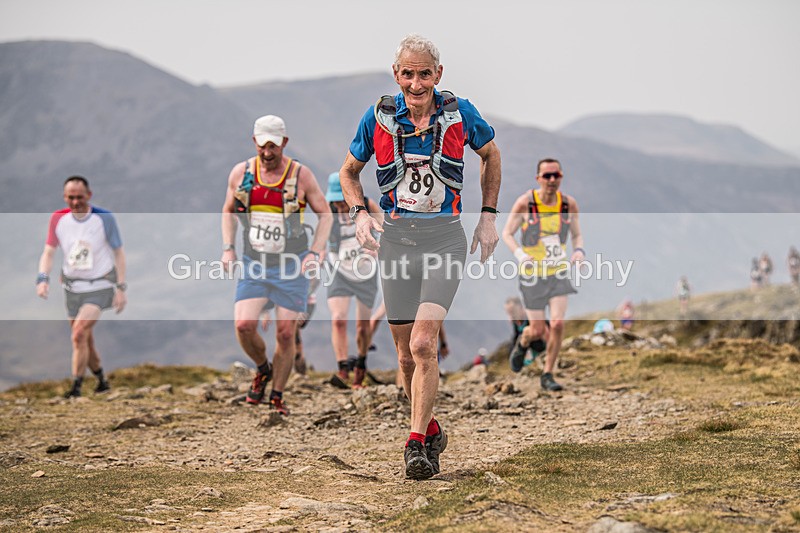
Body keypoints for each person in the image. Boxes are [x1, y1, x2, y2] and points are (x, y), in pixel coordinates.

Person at [338, 34, 501, 480]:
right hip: (396, 242)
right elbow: (348, 172)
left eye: (424, 74)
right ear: (396, 75)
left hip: (444, 240)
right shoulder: (377, 118)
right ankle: (430, 428)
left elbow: (491, 154)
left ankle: (414, 444)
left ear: (438, 74)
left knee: (424, 344)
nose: (416, 83)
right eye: (408, 74)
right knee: (405, 357)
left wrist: (488, 216)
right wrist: (359, 214)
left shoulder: (460, 113)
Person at [221, 115, 332, 415]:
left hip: (292, 265)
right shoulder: (242, 173)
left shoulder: (301, 175)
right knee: (244, 325)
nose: (267, 152)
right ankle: (262, 368)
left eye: (273, 146)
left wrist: (315, 252)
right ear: (254, 142)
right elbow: (228, 210)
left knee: (285, 333)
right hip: (255, 262)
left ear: (284, 142)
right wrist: (228, 248)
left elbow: (325, 214)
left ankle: (277, 395)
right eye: (262, 146)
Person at [36, 176, 127, 398]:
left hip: (100, 285)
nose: (75, 202)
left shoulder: (103, 218)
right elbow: (49, 252)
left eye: (79, 197)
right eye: (71, 197)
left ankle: (75, 388)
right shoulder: (58, 219)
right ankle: (102, 381)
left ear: (89, 195)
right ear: (64, 197)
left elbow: (118, 252)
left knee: (78, 333)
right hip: (72, 288)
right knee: (85, 339)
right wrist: (43, 278)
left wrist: (121, 287)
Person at [502, 158, 584, 392]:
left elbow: (576, 234)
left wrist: (579, 251)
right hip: (532, 275)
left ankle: (548, 373)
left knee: (556, 324)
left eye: (556, 175)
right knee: (537, 330)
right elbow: (507, 233)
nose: (552, 180)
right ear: (538, 178)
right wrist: (520, 255)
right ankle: (523, 342)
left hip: (558, 272)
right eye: (547, 176)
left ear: (561, 177)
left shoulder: (568, 204)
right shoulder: (526, 203)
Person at [325, 172, 383, 389]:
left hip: (365, 271)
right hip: (338, 269)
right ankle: (342, 370)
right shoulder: (328, 212)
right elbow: (320, 236)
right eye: (336, 202)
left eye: (342, 201)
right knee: (338, 319)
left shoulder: (367, 205)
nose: (340, 206)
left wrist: (377, 247)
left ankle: (360, 364)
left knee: (362, 326)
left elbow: (385, 229)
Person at [504, 296, 548, 372]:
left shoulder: (532, 318)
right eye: (509, 313)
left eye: (513, 312)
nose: (511, 316)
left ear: (520, 308)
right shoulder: (517, 323)